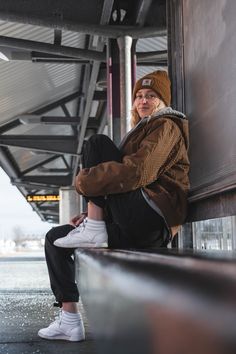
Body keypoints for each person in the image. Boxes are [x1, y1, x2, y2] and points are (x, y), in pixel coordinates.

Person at [38, 70, 190, 341]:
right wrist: (91, 212)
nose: (143, 101)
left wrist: (84, 181)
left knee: (96, 144)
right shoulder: (141, 130)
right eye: (139, 96)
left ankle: (96, 227)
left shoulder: (167, 125)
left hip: (153, 218)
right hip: (133, 217)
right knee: (54, 239)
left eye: (151, 96)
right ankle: (70, 320)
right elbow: (121, 185)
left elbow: (137, 173)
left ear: (163, 101)